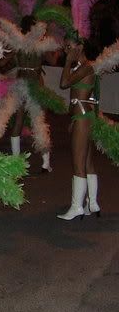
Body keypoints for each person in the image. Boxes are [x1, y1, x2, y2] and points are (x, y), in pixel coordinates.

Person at [57, 40, 101, 220]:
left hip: (83, 117)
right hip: (82, 116)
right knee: (87, 162)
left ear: (80, 47)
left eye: (70, 46)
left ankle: (77, 207)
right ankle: (93, 203)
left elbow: (63, 83)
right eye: (65, 46)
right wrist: (72, 120)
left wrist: (68, 61)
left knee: (78, 163)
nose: (66, 49)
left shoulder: (86, 67)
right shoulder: (83, 67)